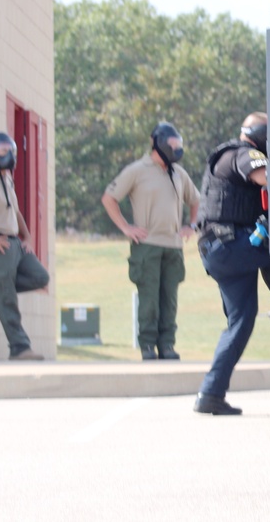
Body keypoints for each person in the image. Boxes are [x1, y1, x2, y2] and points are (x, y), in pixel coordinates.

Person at [194, 112, 270, 415]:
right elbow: (267, 178)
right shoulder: (243, 153)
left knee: (241, 322)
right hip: (228, 246)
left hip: (224, 249)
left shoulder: (230, 154)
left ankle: (210, 394)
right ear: (261, 135)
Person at [102, 122, 200, 361]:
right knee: (149, 300)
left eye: (179, 146)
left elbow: (196, 200)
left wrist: (192, 225)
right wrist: (126, 227)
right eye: (172, 145)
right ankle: (147, 346)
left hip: (174, 247)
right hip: (147, 247)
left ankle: (167, 345)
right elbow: (109, 198)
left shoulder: (179, 173)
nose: (177, 150)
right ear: (159, 143)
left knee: (170, 300)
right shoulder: (137, 170)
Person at [0, 132, 50, 360]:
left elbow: (14, 210)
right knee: (6, 297)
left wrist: (26, 237)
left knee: (40, 277)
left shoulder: (5, 178)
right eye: (2, 149)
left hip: (14, 243)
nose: (8, 154)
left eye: (10, 149)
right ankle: (20, 348)